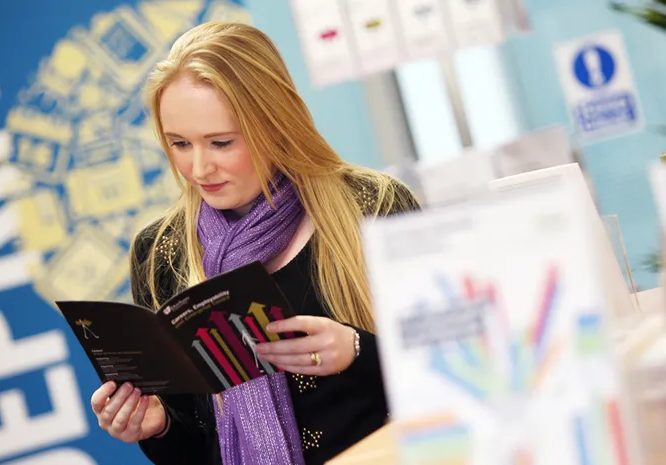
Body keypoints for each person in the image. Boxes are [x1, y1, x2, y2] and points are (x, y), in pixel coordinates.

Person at [89, 21, 420, 465]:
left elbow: (460, 360)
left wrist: (357, 352)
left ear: (275, 125)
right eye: (180, 144)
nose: (200, 167)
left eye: (221, 142)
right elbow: (195, 448)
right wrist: (158, 427)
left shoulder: (372, 206)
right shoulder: (159, 253)